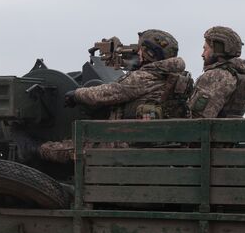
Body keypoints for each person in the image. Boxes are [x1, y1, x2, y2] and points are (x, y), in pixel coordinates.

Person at [37, 29, 193, 163]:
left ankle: (33, 149)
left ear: (148, 53)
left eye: (140, 50)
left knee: (67, 149)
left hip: (127, 144)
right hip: (153, 141)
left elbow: (109, 93)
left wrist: (75, 95)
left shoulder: (144, 77)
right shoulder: (174, 76)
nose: (137, 53)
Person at [187, 26, 245, 118]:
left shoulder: (216, 76)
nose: (202, 54)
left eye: (205, 49)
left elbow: (197, 118)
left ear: (217, 49)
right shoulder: (236, 74)